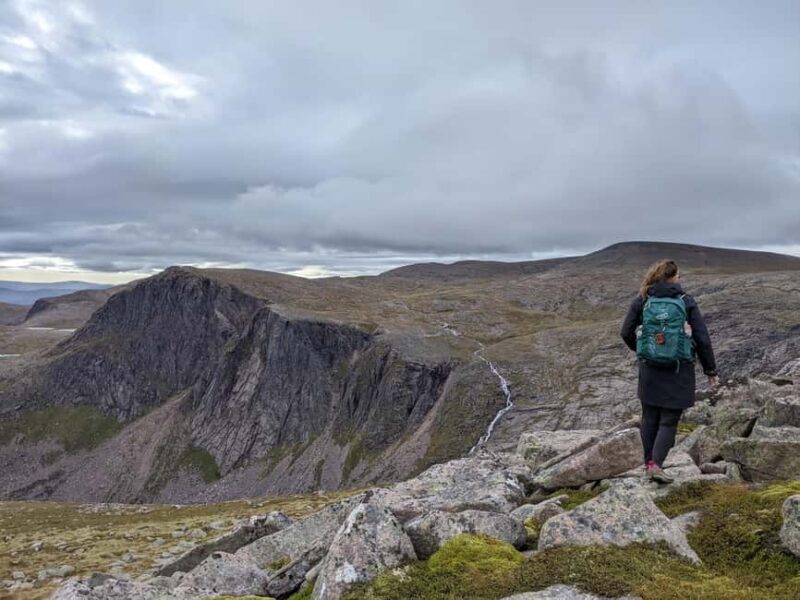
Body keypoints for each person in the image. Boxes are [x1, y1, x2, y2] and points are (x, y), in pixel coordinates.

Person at [620, 259, 718, 484]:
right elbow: (702, 339)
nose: (680, 279)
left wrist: (643, 351)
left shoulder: (643, 299)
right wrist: (710, 370)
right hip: (679, 369)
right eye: (678, 276)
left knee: (649, 417)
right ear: (672, 277)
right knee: (668, 421)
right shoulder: (685, 301)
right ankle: (656, 465)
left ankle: (648, 464)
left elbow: (625, 332)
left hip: (650, 369)